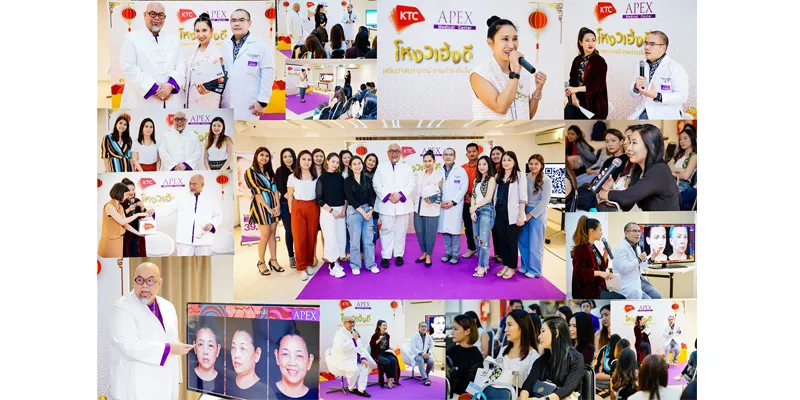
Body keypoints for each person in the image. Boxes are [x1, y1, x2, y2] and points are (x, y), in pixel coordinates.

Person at [110, 262, 194, 400]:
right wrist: (168, 348)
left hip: (165, 381)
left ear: (159, 283)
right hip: (136, 385)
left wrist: (177, 378)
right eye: (140, 280)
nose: (144, 285)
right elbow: (127, 346)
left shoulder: (168, 306)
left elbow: (173, 340)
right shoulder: (122, 307)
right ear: (134, 282)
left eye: (150, 280)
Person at [471, 16, 547, 119]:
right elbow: (500, 108)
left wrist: (538, 91)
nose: (511, 45)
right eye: (505, 39)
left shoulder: (522, 73)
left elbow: (527, 115)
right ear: (490, 43)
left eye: (515, 39)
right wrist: (515, 72)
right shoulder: (480, 74)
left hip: (521, 130)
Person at [598, 124, 681, 211]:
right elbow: (627, 204)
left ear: (651, 146)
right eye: (630, 142)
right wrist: (609, 188)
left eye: (634, 143)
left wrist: (602, 194)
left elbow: (626, 198)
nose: (628, 148)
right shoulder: (638, 170)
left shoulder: (659, 169)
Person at [119, 2, 184, 109]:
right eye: (152, 14)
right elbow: (128, 67)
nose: (157, 18)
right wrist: (155, 89)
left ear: (164, 18)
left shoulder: (174, 40)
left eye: (161, 15)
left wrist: (171, 85)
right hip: (142, 102)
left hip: (171, 100)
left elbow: (181, 66)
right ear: (145, 15)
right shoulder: (132, 38)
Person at [222, 8, 276, 120]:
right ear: (230, 23)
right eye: (234, 20)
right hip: (226, 102)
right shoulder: (224, 46)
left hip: (250, 104)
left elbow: (268, 74)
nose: (237, 24)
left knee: (247, 130)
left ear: (249, 23)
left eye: (241, 20)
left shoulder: (261, 46)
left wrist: (262, 102)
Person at [155, 174, 222, 256]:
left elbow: (218, 215)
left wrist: (212, 224)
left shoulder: (211, 197)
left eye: (194, 184)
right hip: (184, 240)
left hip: (204, 240)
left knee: (203, 262)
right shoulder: (182, 196)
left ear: (202, 185)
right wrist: (153, 212)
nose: (191, 186)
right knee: (184, 262)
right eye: (190, 183)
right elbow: (167, 208)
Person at [519, 317, 584, 400]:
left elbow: (567, 389)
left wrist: (543, 399)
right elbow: (528, 384)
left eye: (543, 331)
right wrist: (524, 396)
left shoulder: (576, 358)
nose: (539, 337)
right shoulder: (542, 360)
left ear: (556, 333)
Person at [628, 31, 689, 120]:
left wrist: (658, 96)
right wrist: (636, 87)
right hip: (643, 112)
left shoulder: (675, 68)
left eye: (652, 44)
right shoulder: (642, 65)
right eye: (646, 43)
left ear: (663, 48)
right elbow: (633, 94)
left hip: (665, 116)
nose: (646, 47)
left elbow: (682, 97)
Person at [373, 143, 415, 268]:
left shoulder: (407, 167)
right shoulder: (381, 167)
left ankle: (399, 255)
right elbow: (376, 184)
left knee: (401, 231)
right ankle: (385, 256)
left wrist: (400, 195)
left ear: (400, 153)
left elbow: (411, 184)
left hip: (402, 205)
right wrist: (388, 196)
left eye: (396, 151)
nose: (394, 153)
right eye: (392, 151)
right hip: (386, 204)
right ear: (388, 153)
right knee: (386, 231)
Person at [244, 148, 284, 274]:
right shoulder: (250, 172)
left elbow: (275, 190)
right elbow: (257, 193)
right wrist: (268, 208)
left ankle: (273, 260)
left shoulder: (270, 172)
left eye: (267, 156)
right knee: (265, 235)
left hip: (274, 205)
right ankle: (261, 262)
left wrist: (277, 206)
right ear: (256, 156)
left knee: (273, 233)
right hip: (261, 206)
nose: (264, 158)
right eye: (261, 155)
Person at [494, 151, 529, 280]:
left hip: (513, 213)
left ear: (514, 162)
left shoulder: (520, 176)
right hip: (499, 213)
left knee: (511, 241)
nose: (506, 162)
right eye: (504, 160)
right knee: (502, 241)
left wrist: (521, 214)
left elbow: (523, 197)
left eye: (509, 160)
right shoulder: (498, 176)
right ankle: (505, 264)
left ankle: (512, 267)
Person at [287, 150, 320, 281]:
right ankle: (301, 267)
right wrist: (291, 210)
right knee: (299, 238)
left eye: (309, 159)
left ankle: (309, 263)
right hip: (298, 207)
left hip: (313, 206)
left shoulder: (316, 176)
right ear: (299, 161)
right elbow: (290, 196)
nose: (306, 162)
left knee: (311, 236)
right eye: (304, 159)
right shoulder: (292, 177)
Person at [571, 216, 621, 299]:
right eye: (600, 230)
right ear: (592, 231)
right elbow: (579, 272)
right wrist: (598, 273)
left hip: (597, 287)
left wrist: (605, 253)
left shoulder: (592, 247)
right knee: (620, 298)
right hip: (587, 291)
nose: (602, 233)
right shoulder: (581, 249)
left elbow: (601, 267)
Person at [344, 155, 379, 274]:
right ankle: (355, 265)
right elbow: (351, 198)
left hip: (367, 211)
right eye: (354, 164)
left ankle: (371, 264)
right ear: (350, 166)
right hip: (354, 212)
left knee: (369, 240)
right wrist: (363, 212)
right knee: (354, 241)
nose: (357, 166)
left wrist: (370, 211)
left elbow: (371, 197)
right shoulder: (347, 181)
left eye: (359, 163)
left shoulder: (367, 179)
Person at [519, 154, 552, 278]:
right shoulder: (524, 177)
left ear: (541, 165)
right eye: (531, 163)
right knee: (523, 241)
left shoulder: (546, 180)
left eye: (536, 164)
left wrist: (530, 214)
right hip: (524, 210)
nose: (533, 166)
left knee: (535, 243)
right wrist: (522, 212)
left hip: (538, 213)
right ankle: (525, 266)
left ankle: (535, 270)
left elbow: (544, 202)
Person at [566, 27, 608, 119]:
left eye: (593, 40)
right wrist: (573, 96)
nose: (591, 43)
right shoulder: (577, 60)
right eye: (587, 40)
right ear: (580, 42)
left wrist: (576, 89)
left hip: (595, 105)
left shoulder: (600, 61)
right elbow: (572, 81)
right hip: (578, 102)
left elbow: (597, 86)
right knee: (568, 112)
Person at [317, 153, 348, 278]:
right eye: (333, 161)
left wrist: (344, 209)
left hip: (340, 211)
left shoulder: (340, 177)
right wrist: (331, 211)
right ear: (327, 161)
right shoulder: (322, 178)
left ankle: (335, 262)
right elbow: (319, 199)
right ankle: (332, 266)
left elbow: (345, 195)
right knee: (330, 238)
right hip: (327, 211)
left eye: (337, 162)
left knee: (340, 237)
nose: (335, 164)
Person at [614, 222, 663, 299]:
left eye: (639, 231)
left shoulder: (637, 247)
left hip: (637, 280)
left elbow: (639, 267)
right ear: (626, 233)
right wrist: (639, 259)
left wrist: (651, 259)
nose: (638, 234)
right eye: (634, 231)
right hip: (626, 283)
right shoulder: (620, 248)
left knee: (657, 295)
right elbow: (623, 269)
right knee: (648, 300)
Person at [99, 183, 147, 258]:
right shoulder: (109, 206)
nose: (126, 196)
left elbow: (125, 224)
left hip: (119, 241)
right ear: (120, 193)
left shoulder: (120, 206)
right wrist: (138, 214)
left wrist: (138, 234)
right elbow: (122, 221)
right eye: (125, 194)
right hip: (110, 242)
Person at [185, 13, 223, 108]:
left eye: (204, 30)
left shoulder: (216, 54)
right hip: (191, 100)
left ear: (211, 31)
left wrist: (209, 87)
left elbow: (219, 80)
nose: (200, 35)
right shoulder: (192, 51)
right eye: (197, 31)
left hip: (208, 100)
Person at [329, 314, 373, 398]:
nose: (352, 324)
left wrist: (363, 358)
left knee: (364, 367)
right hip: (343, 359)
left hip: (354, 358)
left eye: (353, 322)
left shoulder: (354, 333)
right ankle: (351, 388)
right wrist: (353, 340)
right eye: (350, 322)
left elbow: (360, 348)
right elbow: (341, 348)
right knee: (355, 370)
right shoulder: (339, 334)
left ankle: (361, 390)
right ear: (344, 323)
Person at [438, 148, 469, 265]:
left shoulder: (460, 171)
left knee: (455, 231)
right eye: (446, 154)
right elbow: (435, 187)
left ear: (454, 157)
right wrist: (439, 201)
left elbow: (464, 188)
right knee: (445, 229)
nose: (448, 157)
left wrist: (453, 201)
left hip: (455, 205)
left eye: (451, 154)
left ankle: (455, 254)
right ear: (443, 157)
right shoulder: (438, 171)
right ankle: (448, 252)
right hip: (442, 204)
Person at [496, 310, 540, 391]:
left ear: (522, 326)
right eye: (506, 325)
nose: (505, 329)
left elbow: (531, 388)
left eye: (509, 325)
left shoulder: (533, 356)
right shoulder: (503, 350)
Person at [414, 151, 443, 267]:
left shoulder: (438, 175)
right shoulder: (419, 174)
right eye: (425, 161)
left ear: (434, 161)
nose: (427, 163)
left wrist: (431, 198)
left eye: (430, 161)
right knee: (419, 231)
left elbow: (439, 192)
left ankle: (428, 256)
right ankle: (423, 252)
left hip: (432, 207)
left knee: (430, 232)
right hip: (419, 207)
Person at [272, 325, 318, 399]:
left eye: (299, 356)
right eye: (285, 354)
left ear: (309, 362)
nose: (292, 363)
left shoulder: (318, 395)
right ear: (277, 357)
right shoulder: (265, 393)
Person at [470, 156, 497, 278]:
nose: (481, 166)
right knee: (476, 238)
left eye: (484, 164)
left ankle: (482, 267)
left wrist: (475, 207)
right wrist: (472, 210)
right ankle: (484, 264)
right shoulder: (476, 180)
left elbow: (488, 198)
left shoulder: (491, 179)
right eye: (480, 164)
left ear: (489, 165)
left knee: (483, 240)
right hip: (475, 210)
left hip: (486, 210)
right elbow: (473, 196)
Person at [226, 323, 268, 399]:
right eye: (233, 347)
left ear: (257, 354)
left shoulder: (266, 393)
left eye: (242, 348)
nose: (236, 355)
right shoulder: (225, 383)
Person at [446, 315, 484, 396]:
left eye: (455, 329)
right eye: (452, 328)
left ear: (467, 331)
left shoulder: (476, 356)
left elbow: (473, 387)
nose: (452, 332)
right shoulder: (452, 350)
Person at [276, 149, 297, 269]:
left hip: (299, 204)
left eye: (290, 156)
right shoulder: (280, 171)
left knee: (298, 231)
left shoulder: (298, 170)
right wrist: (291, 200)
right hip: (286, 204)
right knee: (289, 231)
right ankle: (291, 256)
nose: (288, 159)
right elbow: (281, 188)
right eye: (285, 157)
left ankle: (300, 254)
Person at [189, 318, 224, 393]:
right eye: (201, 344)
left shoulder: (226, 382)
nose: (205, 352)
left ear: (218, 349)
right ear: (195, 347)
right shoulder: (188, 377)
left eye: (210, 345)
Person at [121, 178, 154, 257]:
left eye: (133, 189)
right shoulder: (121, 202)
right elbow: (120, 218)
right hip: (126, 231)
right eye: (129, 190)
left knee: (139, 252)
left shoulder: (137, 200)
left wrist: (142, 207)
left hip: (138, 229)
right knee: (129, 252)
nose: (131, 192)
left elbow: (143, 215)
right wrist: (129, 209)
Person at [460, 143, 480, 260]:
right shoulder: (462, 168)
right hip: (465, 201)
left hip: (479, 202)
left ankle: (482, 249)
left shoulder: (483, 165)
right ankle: (471, 248)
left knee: (480, 227)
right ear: (466, 154)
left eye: (474, 151)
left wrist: (474, 198)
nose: (472, 153)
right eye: (469, 151)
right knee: (468, 226)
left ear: (478, 152)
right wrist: (466, 195)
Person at [370, 320, 401, 388]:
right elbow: (372, 345)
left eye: (386, 325)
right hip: (377, 354)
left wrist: (390, 348)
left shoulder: (387, 335)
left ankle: (390, 379)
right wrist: (379, 339)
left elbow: (386, 346)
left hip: (385, 352)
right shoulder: (375, 335)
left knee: (393, 360)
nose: (385, 327)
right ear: (379, 326)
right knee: (387, 361)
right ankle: (389, 380)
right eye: (383, 325)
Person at [411, 321, 435, 386]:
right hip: (417, 355)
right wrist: (421, 353)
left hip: (425, 355)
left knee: (431, 361)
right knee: (420, 359)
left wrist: (429, 353)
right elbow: (413, 347)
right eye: (422, 326)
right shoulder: (414, 336)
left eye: (425, 326)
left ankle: (426, 374)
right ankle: (425, 378)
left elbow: (432, 346)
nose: (424, 328)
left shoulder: (429, 337)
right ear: (419, 328)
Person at [363, 153, 380, 244]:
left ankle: (371, 249)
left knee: (374, 231)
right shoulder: (359, 173)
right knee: (363, 231)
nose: (371, 162)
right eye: (369, 160)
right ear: (365, 160)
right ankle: (363, 250)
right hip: (361, 206)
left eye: (374, 161)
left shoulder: (378, 175)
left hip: (374, 207)